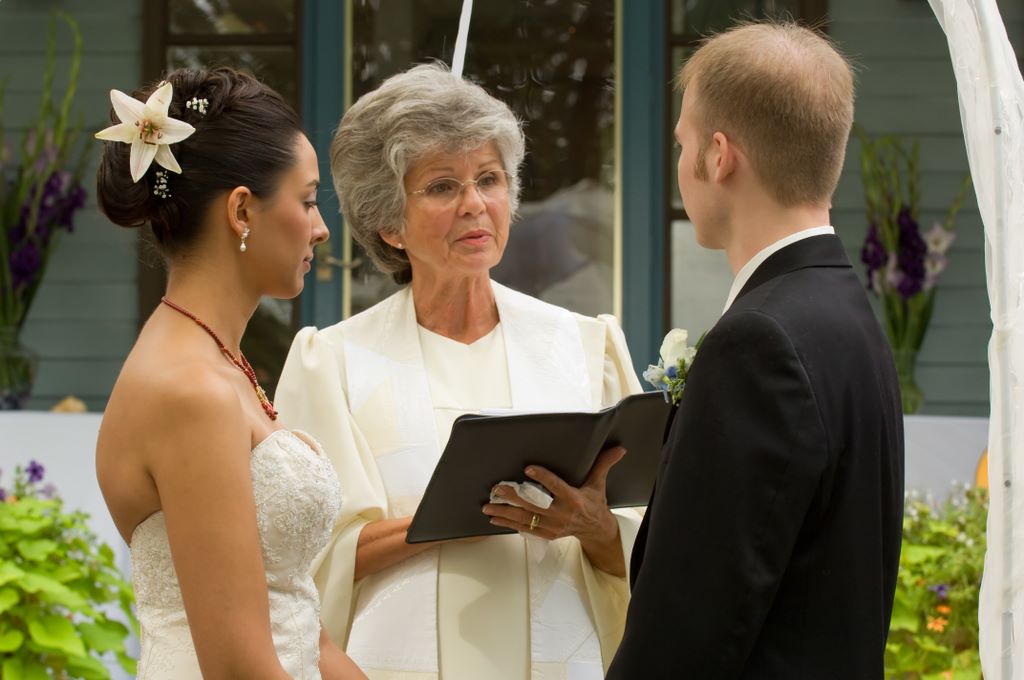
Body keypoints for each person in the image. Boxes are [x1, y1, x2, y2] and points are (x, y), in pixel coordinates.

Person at [274, 63, 642, 680]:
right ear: (389, 223)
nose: (475, 205)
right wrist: (448, 518)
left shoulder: (586, 348)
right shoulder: (331, 364)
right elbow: (300, 563)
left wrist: (594, 526)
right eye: (443, 187)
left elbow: (650, 545)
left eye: (489, 179)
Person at [606, 21, 904, 679]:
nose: (680, 163)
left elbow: (687, 630)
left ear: (719, 156)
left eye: (682, 143)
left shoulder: (758, 343)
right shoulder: (848, 314)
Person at [94, 66, 366, 680]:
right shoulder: (188, 390)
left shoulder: (222, 365)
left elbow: (304, 625)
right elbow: (240, 667)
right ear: (242, 210)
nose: (322, 228)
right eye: (307, 200)